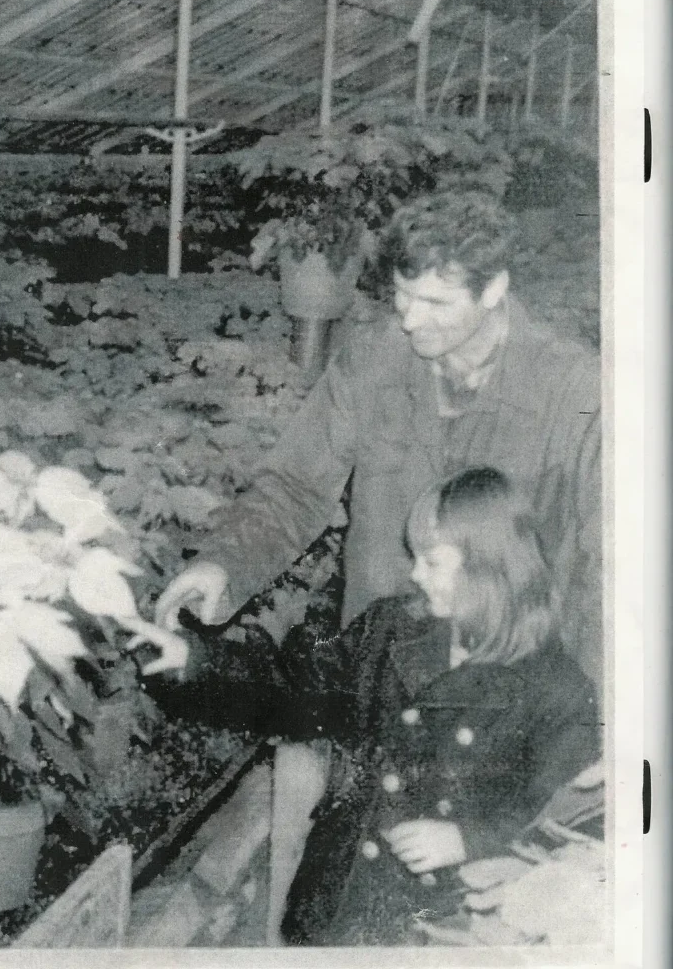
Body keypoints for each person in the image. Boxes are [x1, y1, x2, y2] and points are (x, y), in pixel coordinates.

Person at [155, 191, 602, 694]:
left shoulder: (574, 390)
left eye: (435, 303)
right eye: (402, 295)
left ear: (494, 288)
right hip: (379, 671)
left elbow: (604, 564)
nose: (410, 320)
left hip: (513, 690)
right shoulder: (373, 358)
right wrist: (225, 563)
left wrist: (596, 720)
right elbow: (296, 486)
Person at [139, 467, 601, 946]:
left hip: (450, 923)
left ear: (488, 567)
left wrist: (466, 839)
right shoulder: (392, 628)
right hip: (344, 893)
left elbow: (565, 827)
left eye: (432, 561)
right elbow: (293, 690)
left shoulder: (560, 694)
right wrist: (197, 660)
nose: (415, 573)